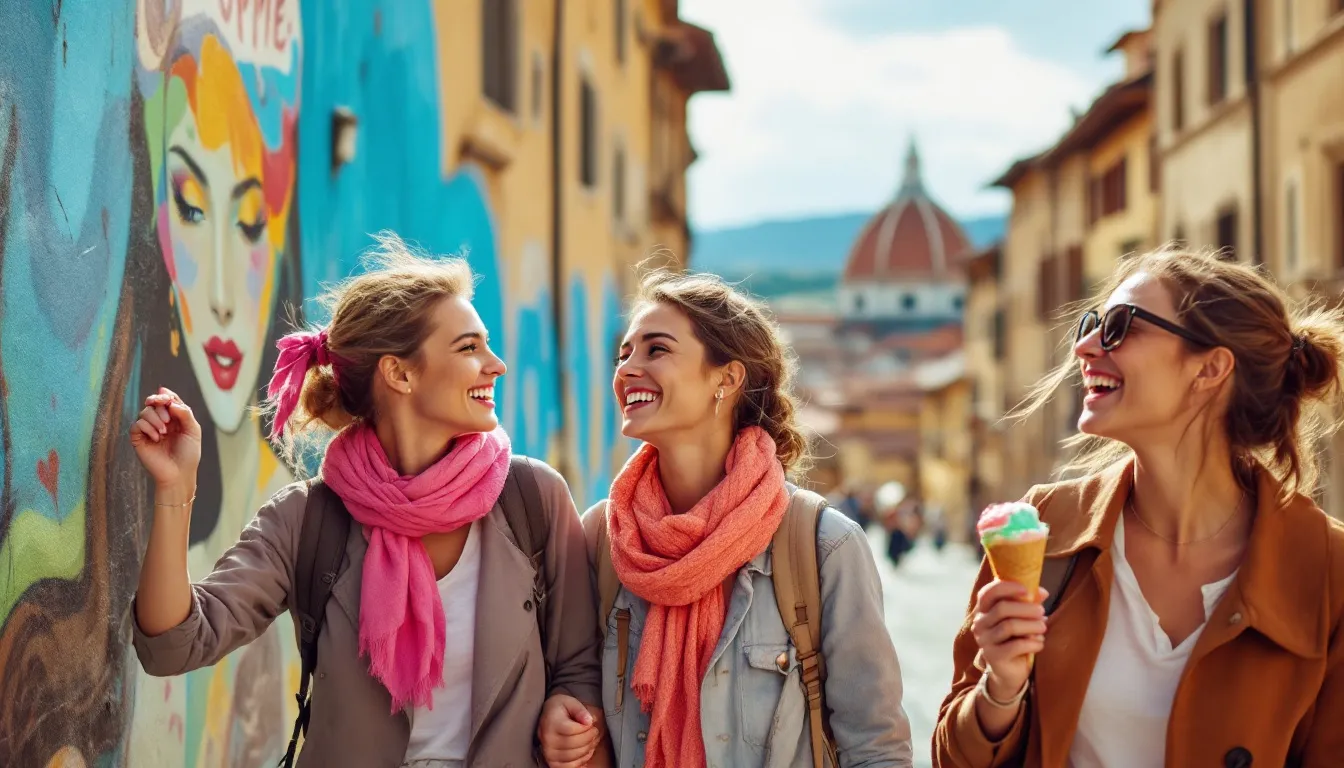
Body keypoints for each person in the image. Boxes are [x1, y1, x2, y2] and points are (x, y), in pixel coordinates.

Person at [130, 234, 605, 767]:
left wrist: (568, 712)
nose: (496, 365)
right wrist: (175, 491)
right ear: (399, 373)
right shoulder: (307, 519)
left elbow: (580, 664)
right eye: (469, 348)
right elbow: (174, 644)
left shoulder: (531, 499)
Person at [934, 246, 1344, 767]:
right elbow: (954, 758)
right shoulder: (1047, 531)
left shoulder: (1328, 569)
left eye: (1120, 326)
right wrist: (1001, 687)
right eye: (1091, 324)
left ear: (1211, 368)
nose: (1083, 346)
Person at [584, 269, 913, 767]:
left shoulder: (823, 546)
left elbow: (875, 747)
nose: (627, 369)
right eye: (624, 353)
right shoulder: (601, 539)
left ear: (727, 378)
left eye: (656, 350)